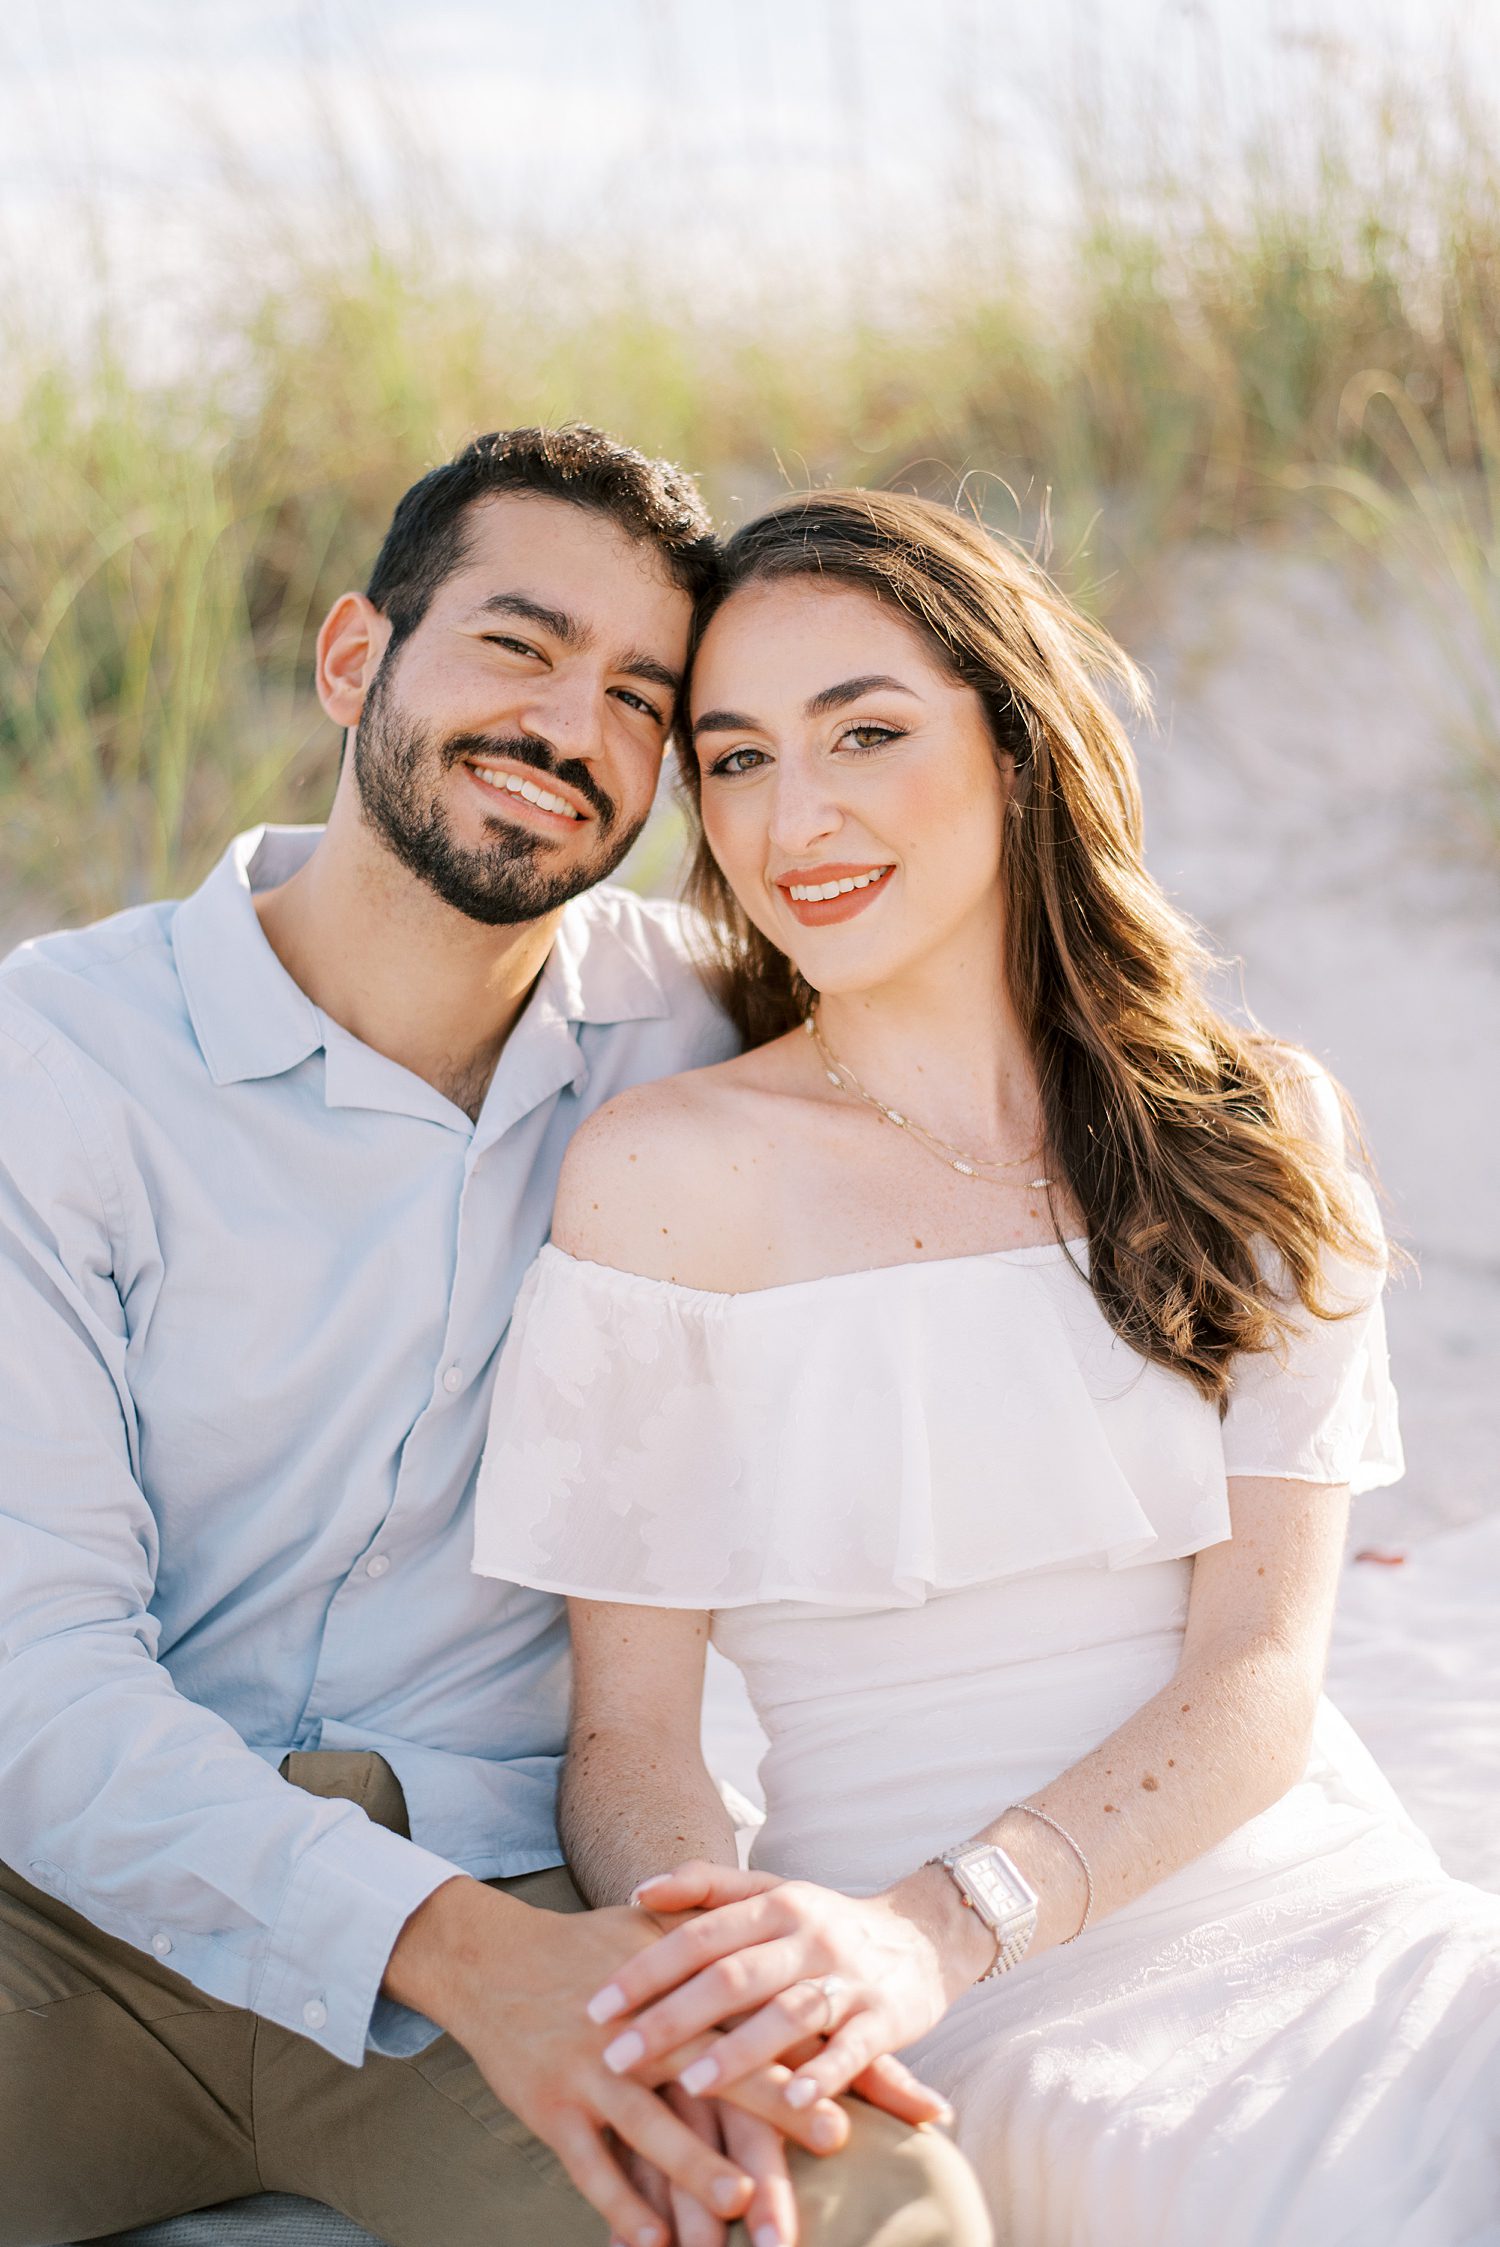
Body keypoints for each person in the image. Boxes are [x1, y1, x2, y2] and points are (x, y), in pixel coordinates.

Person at [473, 488, 1500, 2246]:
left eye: (865, 731)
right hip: (958, 2006)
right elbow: (628, 1742)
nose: (798, 818)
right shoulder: (664, 1176)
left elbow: (1259, 1666)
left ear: (1018, 747)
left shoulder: (1256, 1127)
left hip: (1325, 1907)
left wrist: (951, 1916)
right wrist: (735, 1973)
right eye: (734, 761)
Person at [0, 430, 989, 2247]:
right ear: (355, 659)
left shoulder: (708, 1039)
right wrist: (463, 1965)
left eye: (639, 696)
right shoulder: (54, 1062)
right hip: (63, 1911)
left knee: (857, 2203)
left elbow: (996, 1083)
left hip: (515, 1874)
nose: (568, 730)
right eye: (519, 648)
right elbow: (33, 1687)